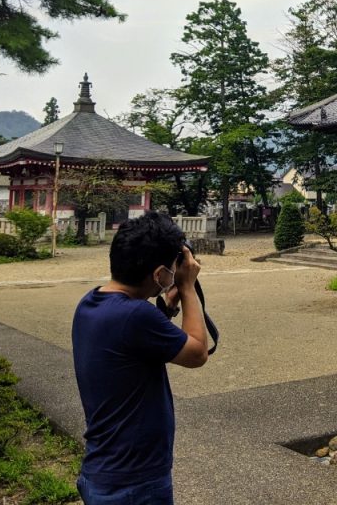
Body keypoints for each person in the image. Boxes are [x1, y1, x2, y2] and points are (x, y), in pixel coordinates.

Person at [71, 211, 209, 504]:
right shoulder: (136, 315)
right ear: (160, 275)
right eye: (172, 270)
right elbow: (197, 353)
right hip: (134, 481)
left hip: (105, 470)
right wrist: (186, 288)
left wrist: (168, 310)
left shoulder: (91, 302)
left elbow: (133, 341)